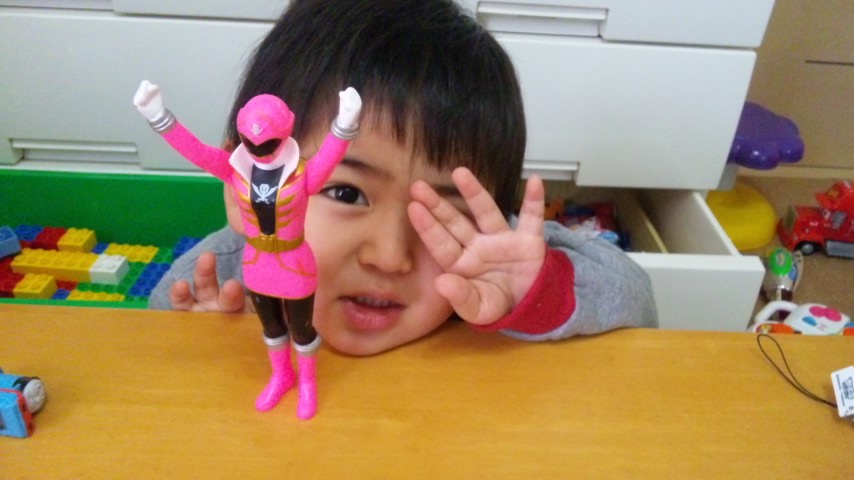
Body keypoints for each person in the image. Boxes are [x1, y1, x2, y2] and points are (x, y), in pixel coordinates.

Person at [149, 0, 657, 365]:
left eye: (442, 214)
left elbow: (636, 301)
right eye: (346, 193)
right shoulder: (221, 276)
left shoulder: (495, 259)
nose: (391, 257)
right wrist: (219, 343)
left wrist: (533, 293)